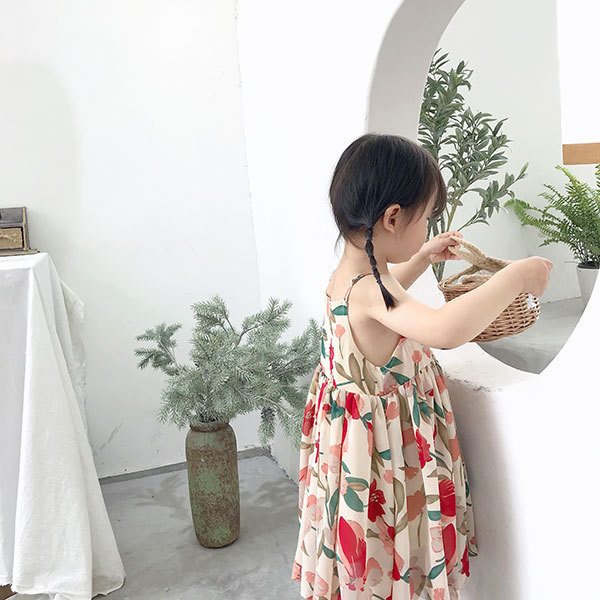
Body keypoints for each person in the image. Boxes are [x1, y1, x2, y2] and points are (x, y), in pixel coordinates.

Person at [290, 133, 553, 600]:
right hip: (386, 461)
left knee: (380, 552)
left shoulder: (352, 275)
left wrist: (421, 258)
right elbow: (444, 329)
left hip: (360, 451)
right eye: (427, 217)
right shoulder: (369, 290)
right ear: (392, 217)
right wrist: (517, 275)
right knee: (392, 550)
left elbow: (387, 305)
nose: (428, 227)